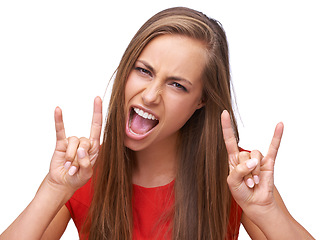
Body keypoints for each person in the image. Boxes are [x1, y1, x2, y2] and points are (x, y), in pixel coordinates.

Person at [0, 7, 314, 240]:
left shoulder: (236, 175)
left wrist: (268, 212)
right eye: (144, 71)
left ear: (201, 100)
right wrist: (54, 189)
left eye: (177, 85)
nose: (150, 95)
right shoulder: (81, 171)